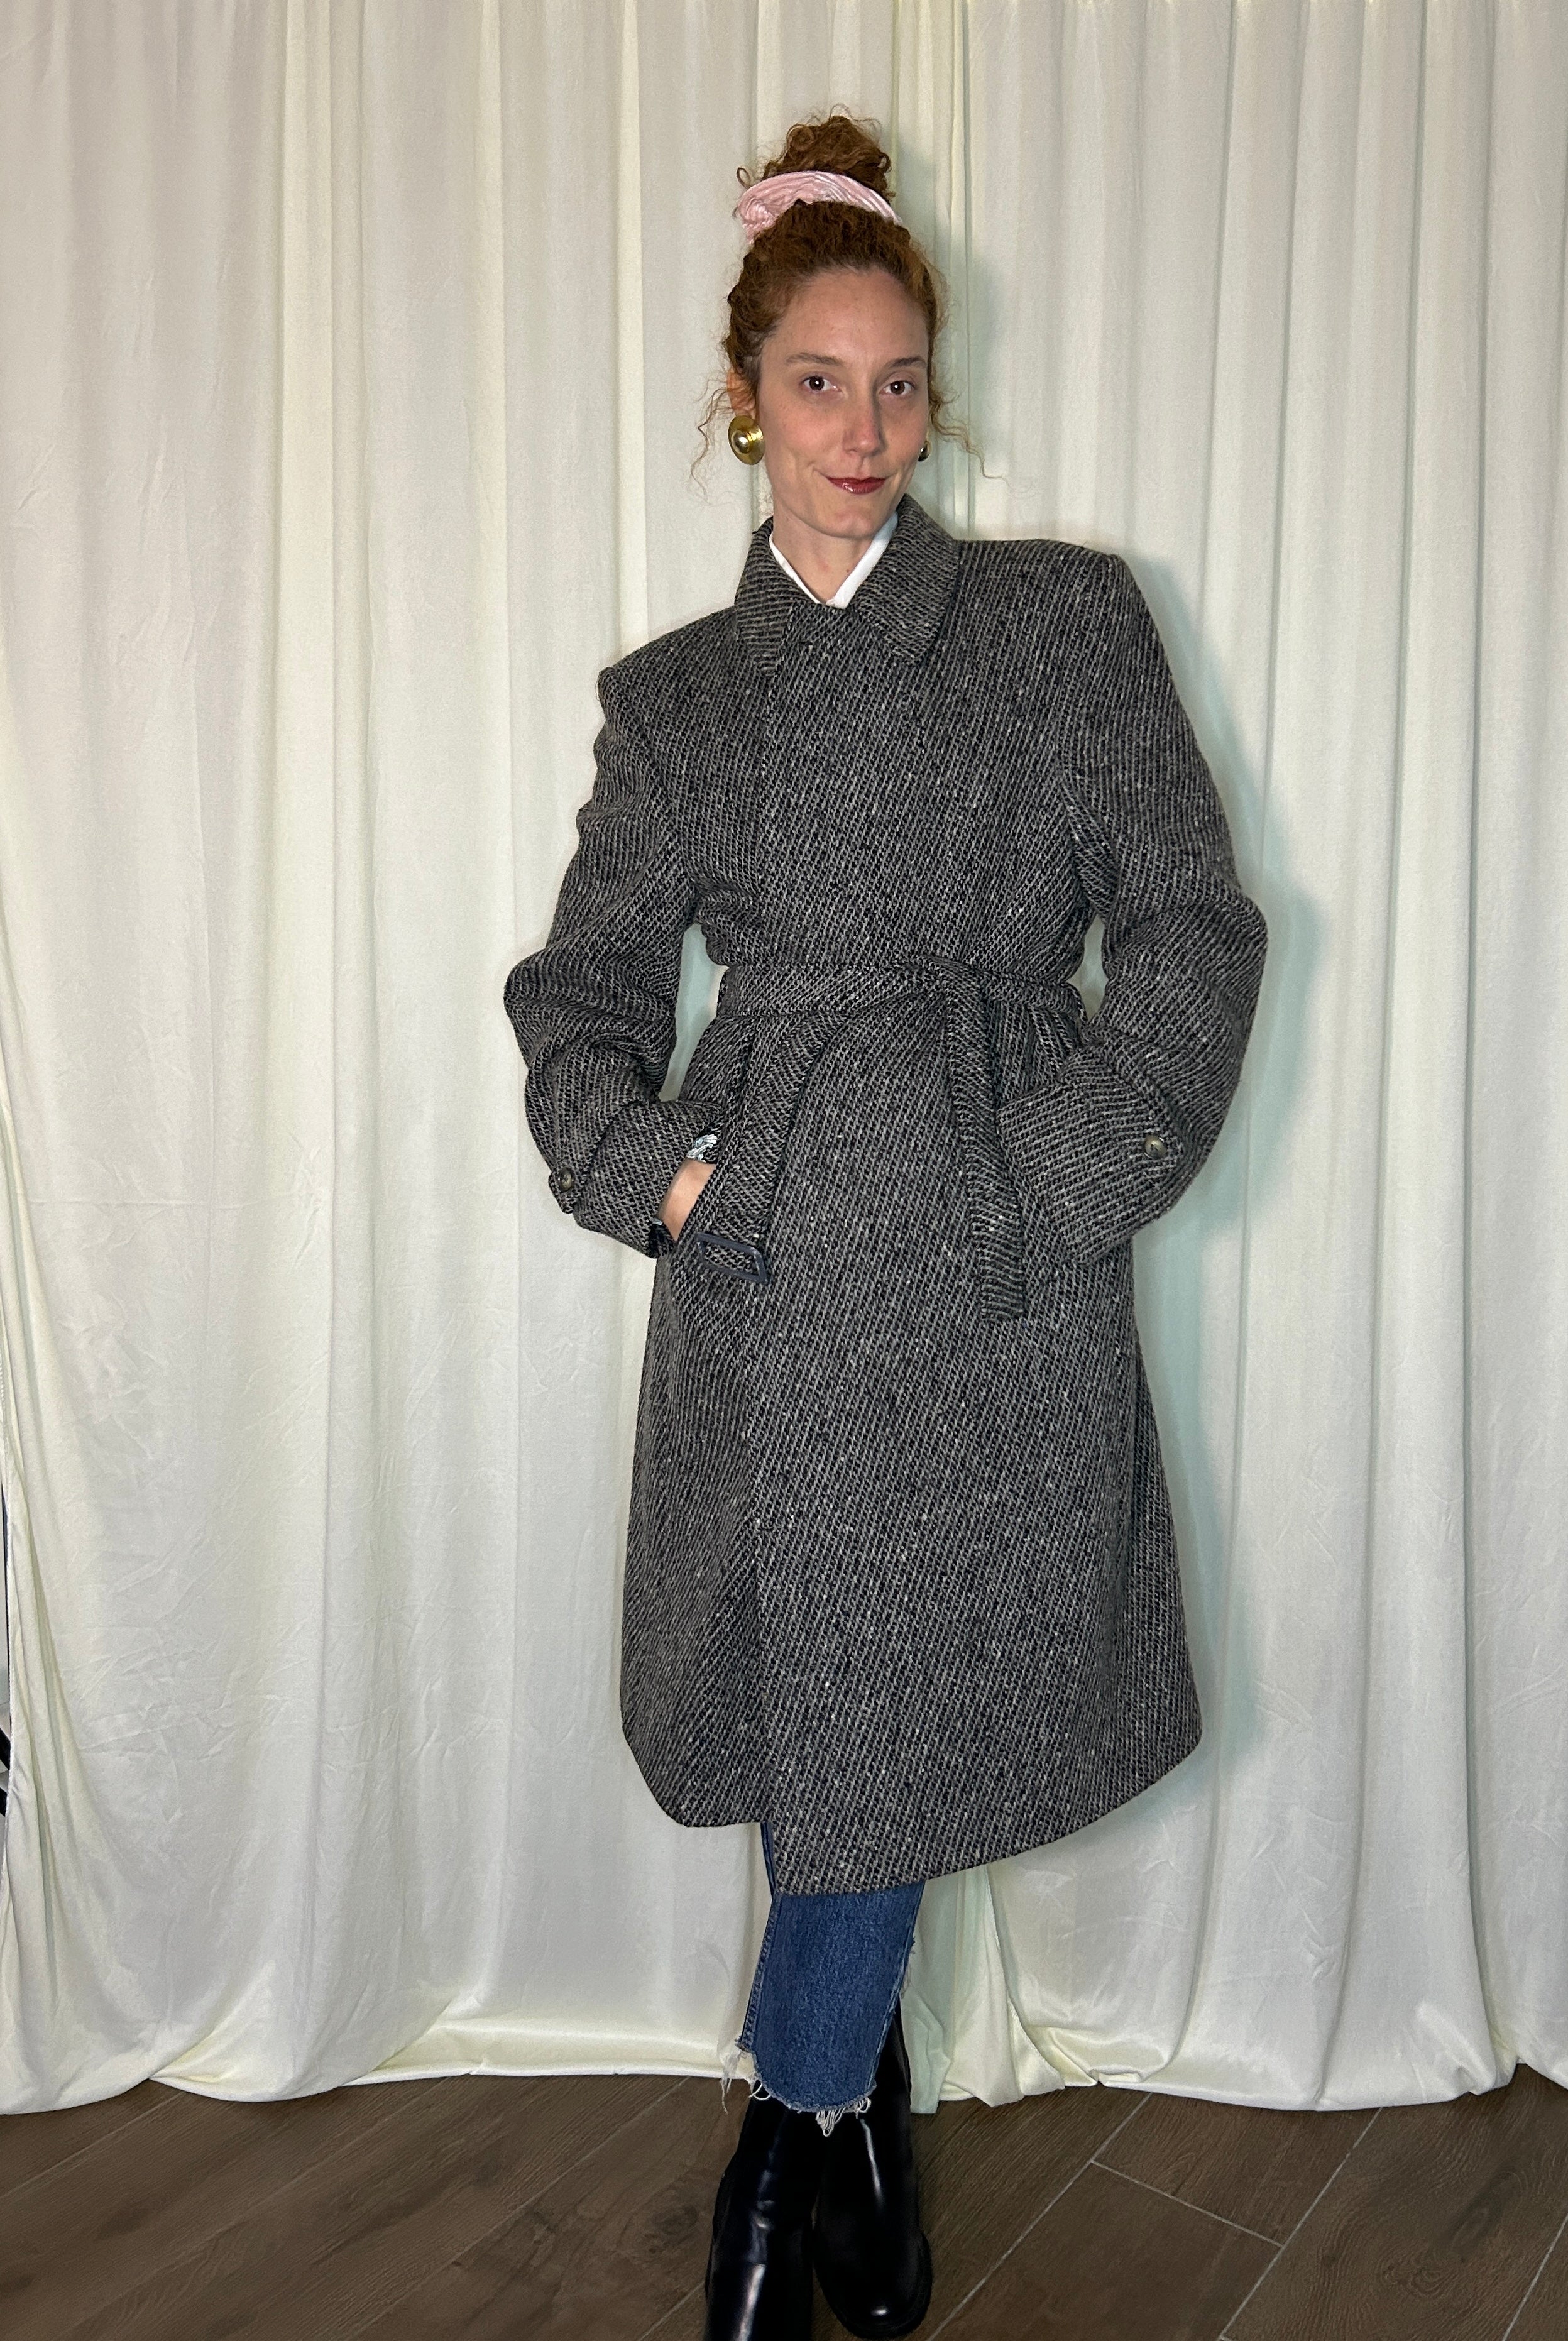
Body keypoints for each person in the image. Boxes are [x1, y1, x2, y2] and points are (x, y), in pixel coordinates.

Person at [504, 109, 1268, 2341]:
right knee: (818, 1688)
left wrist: (1070, 1172)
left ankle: (787, 2130)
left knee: (883, 1685)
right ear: (746, 399)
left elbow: (1195, 926)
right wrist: (657, 1174)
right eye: (819, 383)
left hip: (990, 1255)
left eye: (900, 383)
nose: (864, 429)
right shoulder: (677, 698)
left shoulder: (1062, 628)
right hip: (769, 1262)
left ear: (937, 399)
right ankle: (857, 2108)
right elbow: (581, 992)